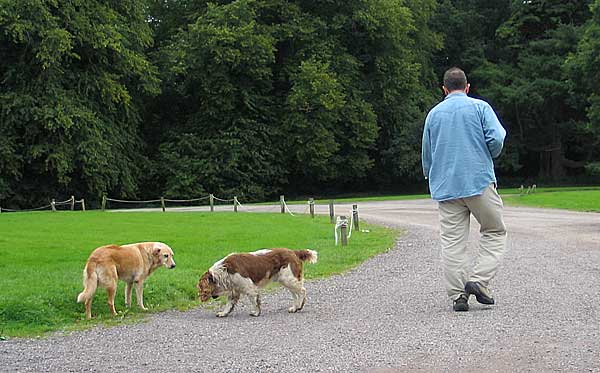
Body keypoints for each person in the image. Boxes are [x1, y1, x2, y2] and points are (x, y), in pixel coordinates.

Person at [421, 67, 507, 312]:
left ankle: (459, 295)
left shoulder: (433, 114)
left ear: (444, 89)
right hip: (478, 181)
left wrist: (432, 176)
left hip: (446, 187)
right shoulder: (480, 108)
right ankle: (479, 281)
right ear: (467, 87)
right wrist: (487, 154)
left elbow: (427, 154)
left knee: (452, 243)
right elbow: (497, 139)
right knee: (494, 231)